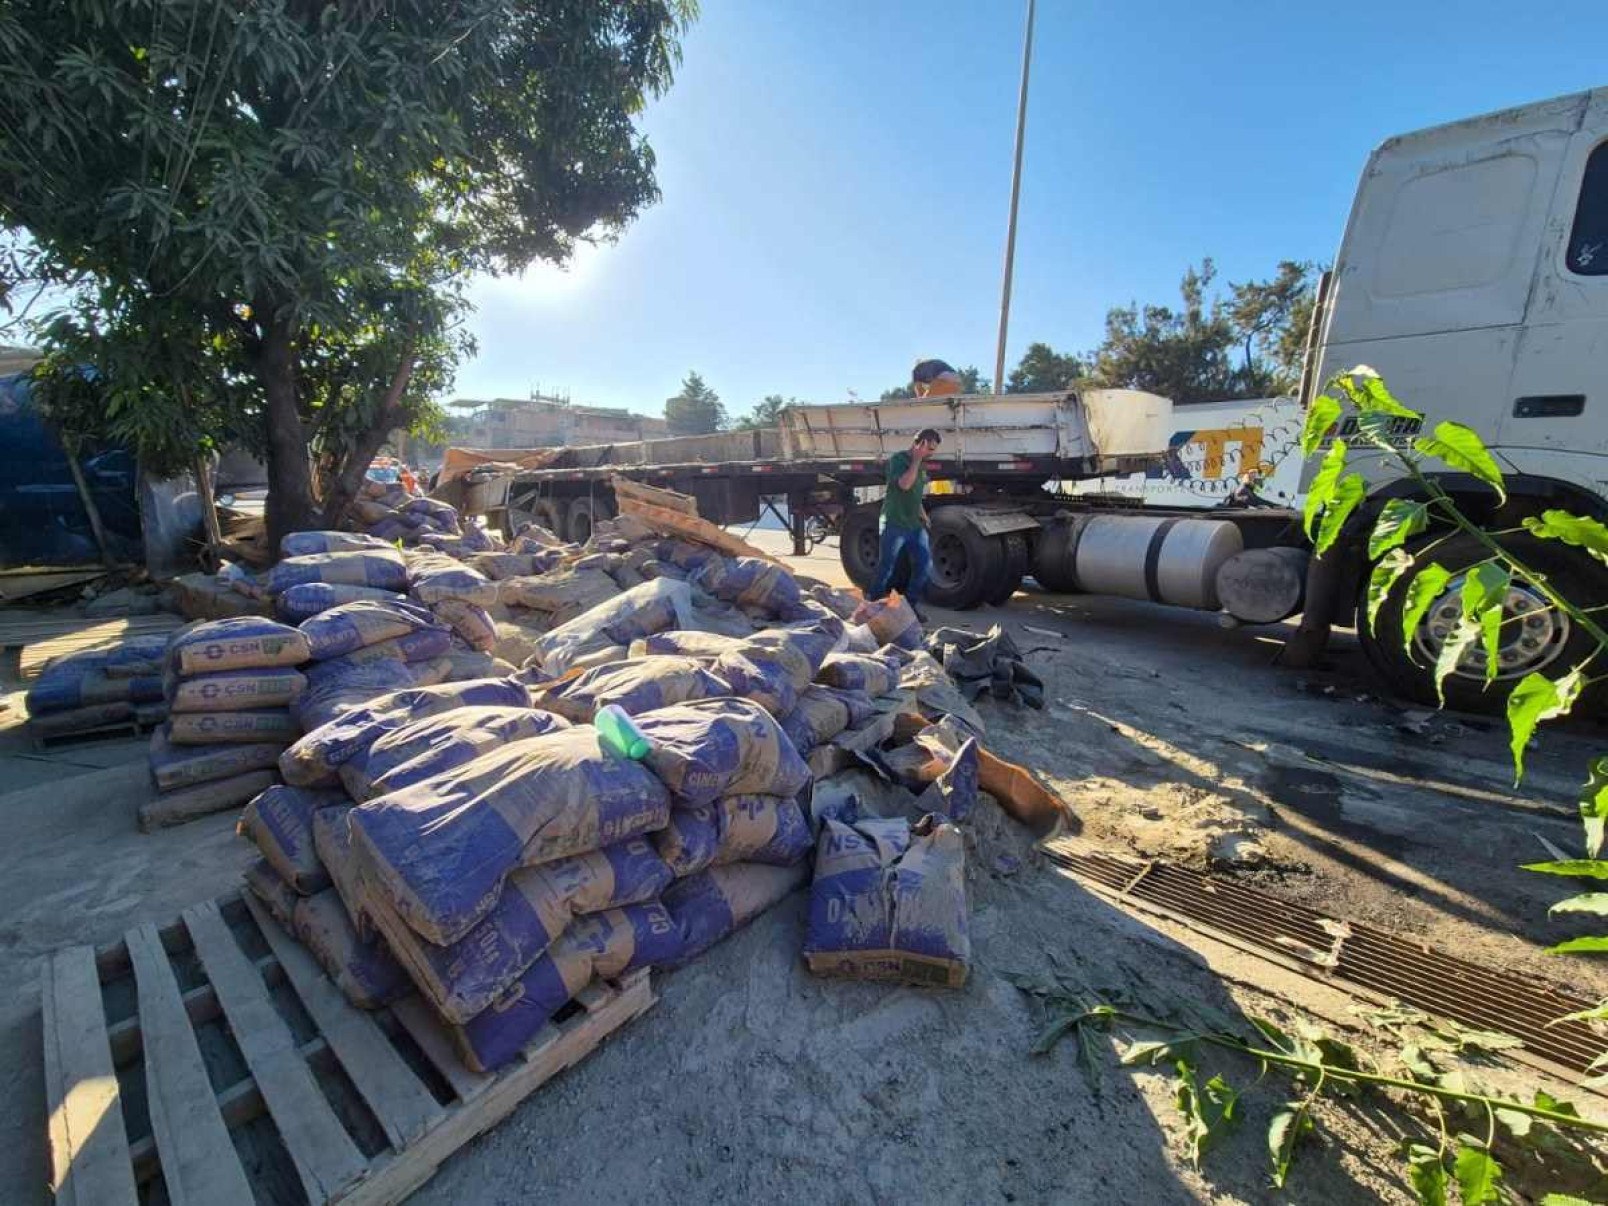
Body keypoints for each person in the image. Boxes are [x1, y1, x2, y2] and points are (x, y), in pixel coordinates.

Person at [869, 428, 942, 622]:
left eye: (933, 450)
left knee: (925, 565)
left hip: (914, 525)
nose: (931, 453)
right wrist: (916, 460)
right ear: (918, 443)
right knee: (886, 567)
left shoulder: (922, 466)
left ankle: (909, 606)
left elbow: (915, 494)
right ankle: (872, 604)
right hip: (893, 522)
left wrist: (924, 516)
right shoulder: (898, 460)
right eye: (929, 448)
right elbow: (904, 485)